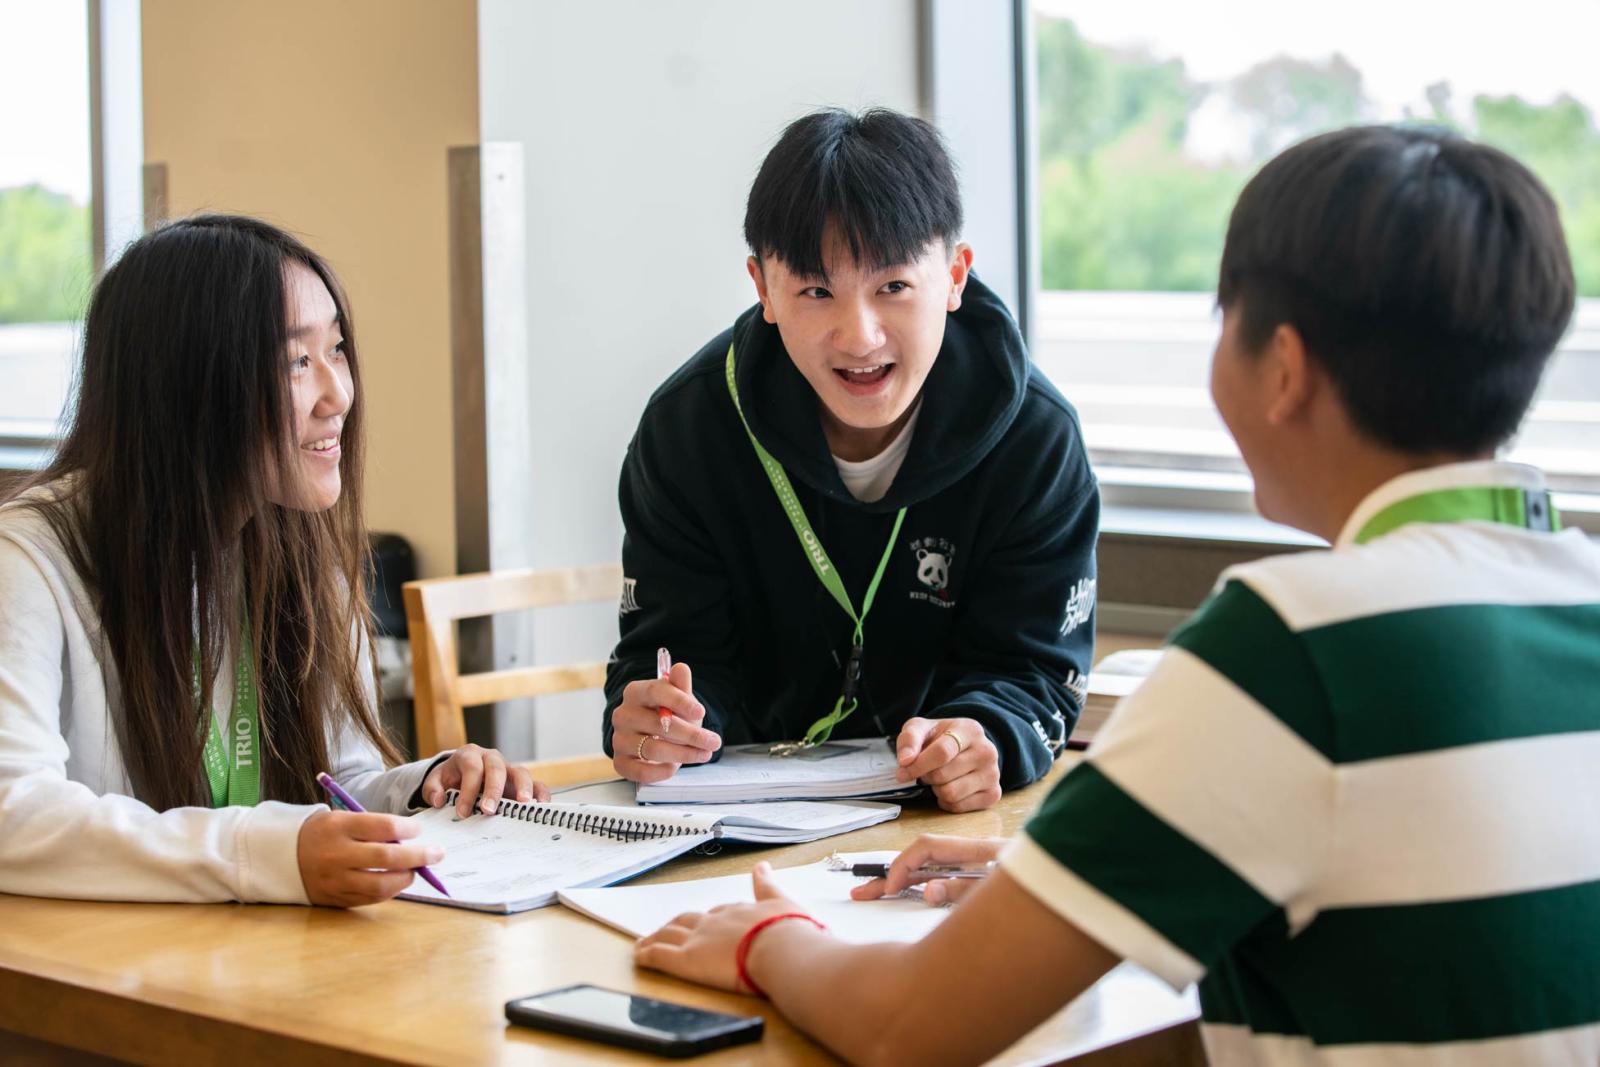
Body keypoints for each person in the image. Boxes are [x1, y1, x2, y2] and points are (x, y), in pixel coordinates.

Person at [633, 125, 1599, 1065]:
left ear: (1284, 368)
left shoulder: (1285, 651)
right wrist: (1061, 880)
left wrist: (769, 937)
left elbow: (907, 1029)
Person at [0, 215, 549, 908]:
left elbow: (335, 779)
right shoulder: (27, 560)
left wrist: (423, 788)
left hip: (249, 965)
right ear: (188, 386)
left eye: (338, 350)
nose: (338, 395)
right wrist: (264, 852)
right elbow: (14, 815)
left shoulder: (295, 549)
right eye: (296, 361)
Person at [604, 108, 1099, 812]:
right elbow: (672, 655)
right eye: (815, 291)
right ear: (763, 288)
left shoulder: (1035, 440)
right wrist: (661, 725)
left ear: (955, 276)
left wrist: (984, 732)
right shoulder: (689, 430)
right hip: (742, 828)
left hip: (936, 822)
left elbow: (1033, 673)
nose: (860, 337)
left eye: (892, 287)